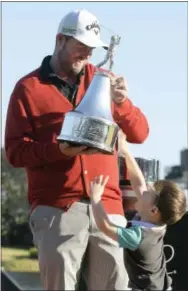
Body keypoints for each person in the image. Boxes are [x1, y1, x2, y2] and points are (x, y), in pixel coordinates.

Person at [5, 9, 149, 291]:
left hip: (108, 208)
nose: (86, 55)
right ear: (60, 40)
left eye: (92, 49)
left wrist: (122, 104)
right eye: (81, 47)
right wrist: (60, 151)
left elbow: (140, 134)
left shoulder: (104, 80)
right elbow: (15, 153)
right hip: (57, 208)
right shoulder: (27, 89)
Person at [90, 130, 186, 291]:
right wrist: (125, 151)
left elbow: (105, 226)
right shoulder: (156, 223)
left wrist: (96, 198)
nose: (144, 190)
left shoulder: (137, 236)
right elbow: (139, 183)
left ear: (154, 209)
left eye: (149, 193)